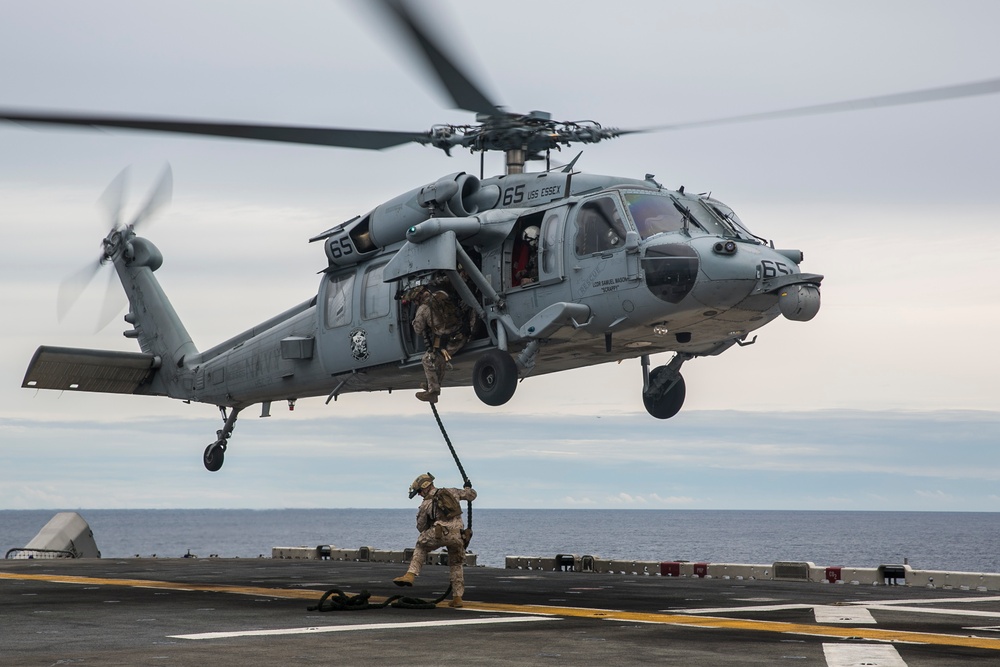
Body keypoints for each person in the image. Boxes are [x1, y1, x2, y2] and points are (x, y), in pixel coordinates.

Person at [394, 472, 477, 607]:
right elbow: (472, 495)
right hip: (458, 536)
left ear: (426, 487)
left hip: (440, 534)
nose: (420, 494)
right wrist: (468, 488)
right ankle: (457, 598)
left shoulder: (426, 504)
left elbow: (421, 526)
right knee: (456, 564)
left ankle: (410, 574)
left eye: (420, 491)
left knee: (421, 544)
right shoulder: (452, 492)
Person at [411, 285, 467, 403]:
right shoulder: (442, 294)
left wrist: (414, 321)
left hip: (450, 341)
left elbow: (418, 329)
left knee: (428, 359)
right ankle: (433, 385)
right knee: (440, 357)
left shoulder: (423, 309)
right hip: (462, 334)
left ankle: (433, 392)